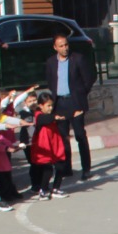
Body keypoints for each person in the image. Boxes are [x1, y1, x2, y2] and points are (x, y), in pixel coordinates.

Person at [44, 36, 95, 182]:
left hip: (75, 102)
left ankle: (86, 169)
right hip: (60, 103)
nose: (65, 48)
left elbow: (89, 78)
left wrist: (80, 96)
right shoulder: (51, 62)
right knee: (63, 137)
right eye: (61, 46)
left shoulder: (77, 59)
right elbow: (50, 81)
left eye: (66, 45)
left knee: (80, 135)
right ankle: (66, 168)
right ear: (55, 47)